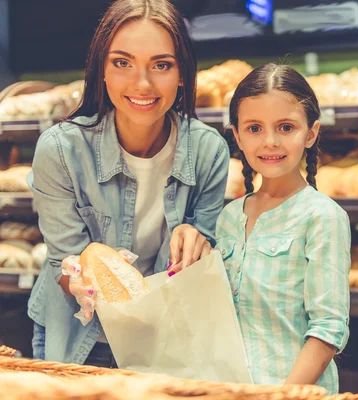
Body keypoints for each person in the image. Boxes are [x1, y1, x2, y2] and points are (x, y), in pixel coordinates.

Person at [27, 0, 229, 367]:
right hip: (78, 338)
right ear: (101, 69)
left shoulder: (208, 150)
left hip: (166, 335)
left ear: (183, 73)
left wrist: (201, 245)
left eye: (162, 65)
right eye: (122, 63)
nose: (142, 83)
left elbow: (205, 257)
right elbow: (63, 261)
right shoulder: (60, 150)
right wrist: (79, 276)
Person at [215, 64, 350, 394]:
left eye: (286, 127)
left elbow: (328, 329)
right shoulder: (229, 217)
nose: (270, 141)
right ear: (237, 136)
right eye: (255, 128)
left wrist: (283, 395)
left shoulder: (322, 216)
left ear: (311, 133)